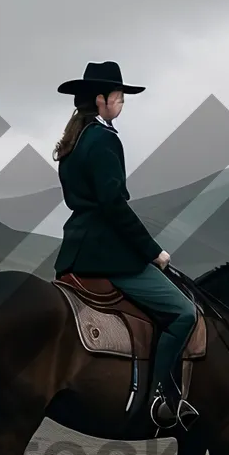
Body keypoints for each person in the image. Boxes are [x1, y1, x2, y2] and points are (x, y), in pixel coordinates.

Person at [52, 61, 199, 430]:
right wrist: (153, 251)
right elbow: (113, 204)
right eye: (118, 98)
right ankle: (164, 398)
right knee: (184, 314)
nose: (121, 104)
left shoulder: (73, 141)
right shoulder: (103, 139)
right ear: (100, 100)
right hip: (107, 254)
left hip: (75, 251)